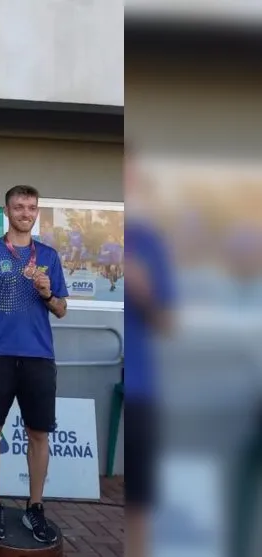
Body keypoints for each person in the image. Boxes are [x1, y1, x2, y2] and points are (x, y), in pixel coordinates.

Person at [0, 184, 68, 544]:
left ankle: (35, 506)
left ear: (37, 212)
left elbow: (61, 310)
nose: (26, 212)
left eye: (32, 207)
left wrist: (46, 292)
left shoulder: (49, 257)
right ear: (7, 211)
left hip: (39, 357)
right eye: (19, 206)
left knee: (39, 434)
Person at [123, 150, 174, 557]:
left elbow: (169, 324)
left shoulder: (153, 242)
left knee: (139, 498)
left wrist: (145, 293)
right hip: (123, 377)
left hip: (145, 387)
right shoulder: (98, 239)